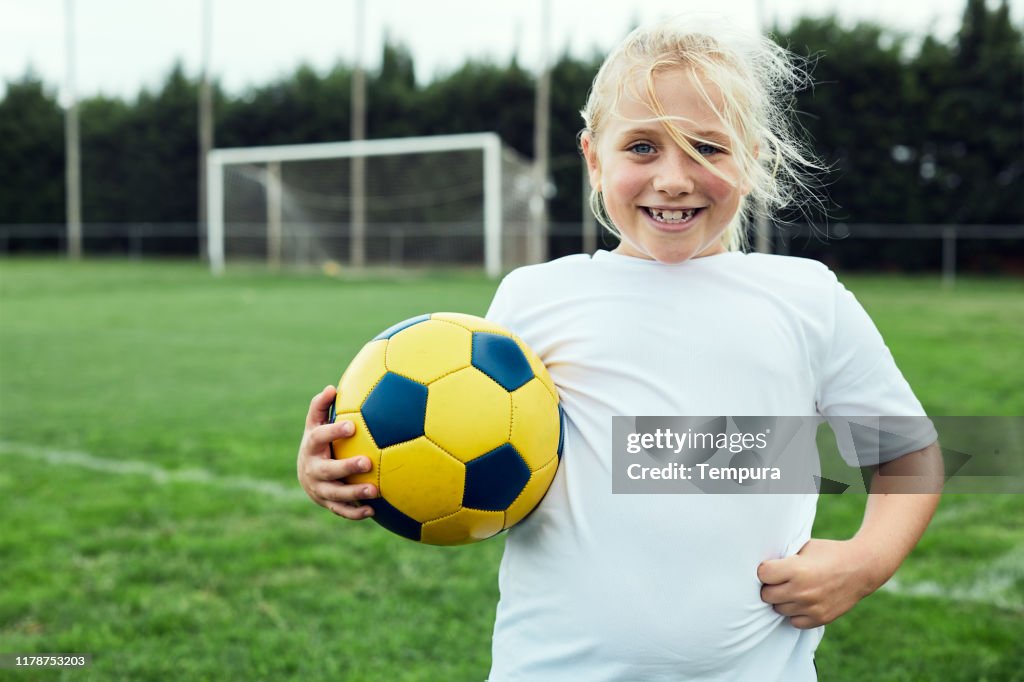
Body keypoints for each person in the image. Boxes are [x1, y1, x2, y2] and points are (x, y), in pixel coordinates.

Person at [296, 16, 944, 681]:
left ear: (752, 159)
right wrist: (346, 466)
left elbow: (906, 450)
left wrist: (866, 562)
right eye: (641, 147)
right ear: (593, 158)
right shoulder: (536, 299)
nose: (673, 178)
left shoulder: (807, 298)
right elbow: (448, 440)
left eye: (708, 149)